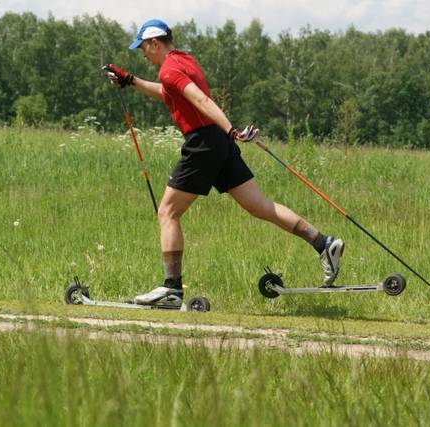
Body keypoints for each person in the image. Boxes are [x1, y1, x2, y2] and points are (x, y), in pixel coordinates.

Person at [104, 19, 344, 305]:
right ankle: (322, 242)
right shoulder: (184, 61)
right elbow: (168, 94)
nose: (143, 54)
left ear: (155, 43)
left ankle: (172, 289)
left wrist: (232, 129)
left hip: (204, 143)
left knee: (167, 212)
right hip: (219, 142)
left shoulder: (169, 69)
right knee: (260, 206)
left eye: (143, 48)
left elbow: (202, 101)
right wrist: (129, 81)